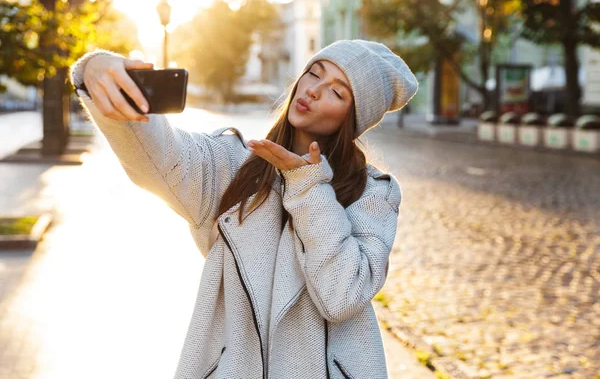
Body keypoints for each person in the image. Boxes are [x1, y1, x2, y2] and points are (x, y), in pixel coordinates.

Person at [70, 39, 418, 379]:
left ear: (353, 118)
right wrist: (96, 70)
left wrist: (307, 184)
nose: (313, 90)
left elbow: (341, 296)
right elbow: (154, 154)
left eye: (337, 92)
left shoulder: (372, 194)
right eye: (314, 73)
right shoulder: (231, 164)